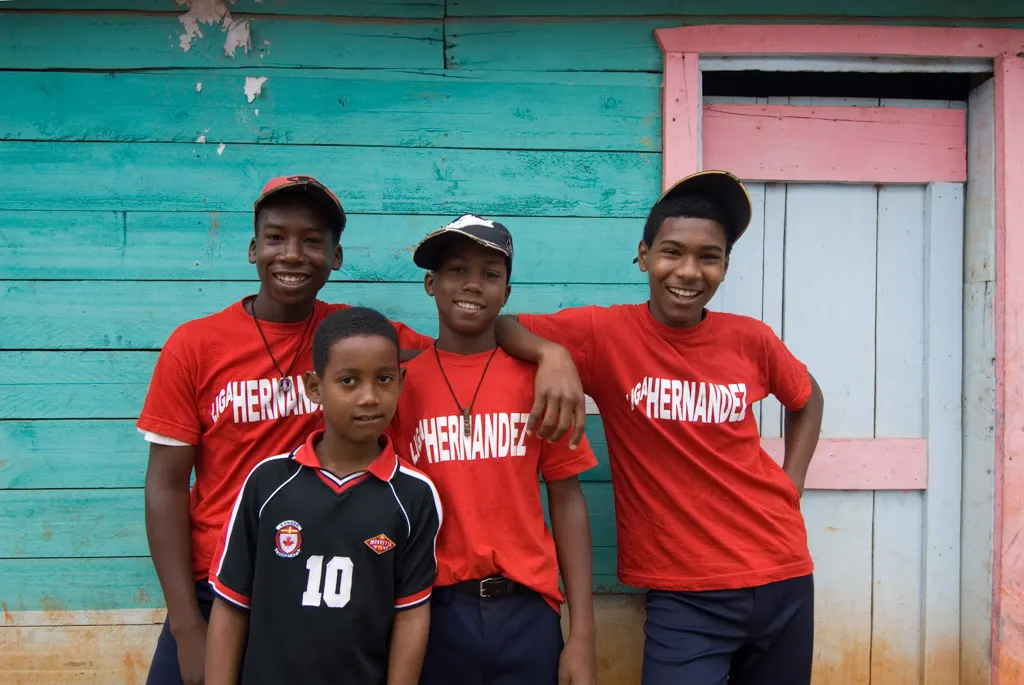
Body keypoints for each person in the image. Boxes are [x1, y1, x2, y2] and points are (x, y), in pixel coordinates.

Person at [136, 175, 587, 685]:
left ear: (336, 256)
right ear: (253, 248)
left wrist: (551, 353)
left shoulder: (358, 335)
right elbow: (165, 487)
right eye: (276, 238)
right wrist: (186, 626)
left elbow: (469, 333)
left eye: (312, 241)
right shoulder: (195, 345)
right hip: (216, 584)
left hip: (329, 580)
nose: (293, 254)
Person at [494, 171, 826, 685]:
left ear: (725, 267)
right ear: (644, 256)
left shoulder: (750, 339)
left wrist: (792, 481)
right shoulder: (605, 333)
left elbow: (807, 396)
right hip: (684, 593)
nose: (689, 272)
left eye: (708, 257)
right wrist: (552, 354)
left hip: (782, 574)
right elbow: (503, 325)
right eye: (673, 252)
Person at [386, 214, 599, 685]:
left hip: (529, 610)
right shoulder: (402, 385)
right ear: (430, 284)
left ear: (506, 293)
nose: (472, 284)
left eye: (490, 274)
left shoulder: (540, 382)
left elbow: (567, 501)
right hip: (434, 609)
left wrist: (583, 632)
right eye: (457, 270)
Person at [204, 306, 441, 685]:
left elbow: (411, 614)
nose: (369, 397)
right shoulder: (268, 483)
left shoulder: (413, 494)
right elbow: (232, 604)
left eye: (383, 379)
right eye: (349, 381)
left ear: (401, 381)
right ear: (315, 388)